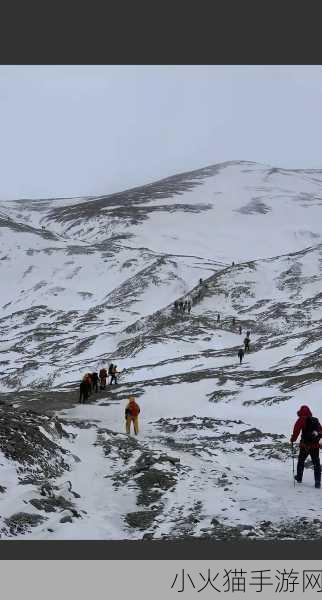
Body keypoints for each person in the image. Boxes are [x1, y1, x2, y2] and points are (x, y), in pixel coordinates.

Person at [290, 405, 322, 488]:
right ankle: (317, 482)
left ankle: (299, 477)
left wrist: (293, 439)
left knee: (301, 461)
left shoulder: (300, 420)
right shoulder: (315, 420)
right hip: (315, 446)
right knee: (316, 464)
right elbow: (321, 431)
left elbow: (296, 431)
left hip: (305, 445)